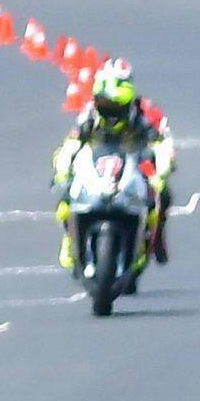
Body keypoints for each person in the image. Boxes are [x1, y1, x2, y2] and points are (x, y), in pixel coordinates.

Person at [55, 59, 176, 273]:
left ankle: (156, 240)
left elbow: (160, 144)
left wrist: (161, 171)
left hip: (132, 164)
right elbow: (71, 143)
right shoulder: (89, 115)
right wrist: (62, 171)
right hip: (96, 165)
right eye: (105, 106)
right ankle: (69, 239)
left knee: (163, 196)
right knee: (65, 197)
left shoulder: (140, 116)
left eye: (117, 108)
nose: (111, 114)